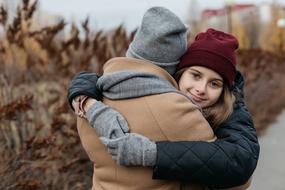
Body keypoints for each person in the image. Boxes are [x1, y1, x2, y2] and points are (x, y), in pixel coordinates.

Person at [68, 7, 259, 190]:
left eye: (215, 84)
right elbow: (238, 177)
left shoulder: (87, 102)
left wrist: (85, 98)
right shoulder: (176, 110)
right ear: (177, 70)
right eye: (196, 75)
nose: (201, 89)